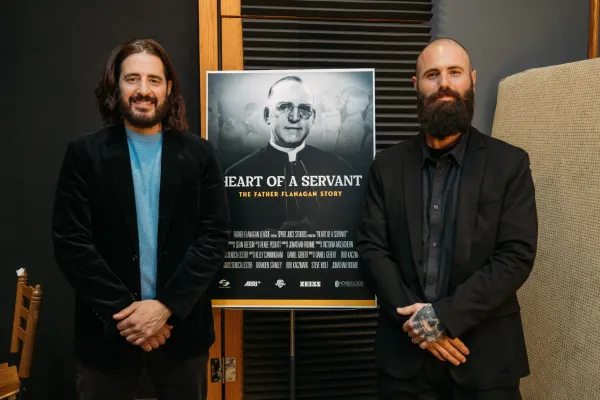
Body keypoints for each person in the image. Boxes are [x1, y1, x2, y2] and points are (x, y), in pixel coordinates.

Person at [356, 38, 538, 399]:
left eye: (454, 72)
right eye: (432, 74)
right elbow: (370, 250)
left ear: (471, 80)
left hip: (484, 361)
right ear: (416, 85)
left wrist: (440, 320)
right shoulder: (386, 167)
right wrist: (420, 327)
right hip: (404, 364)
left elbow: (515, 256)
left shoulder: (510, 164)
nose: (444, 83)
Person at [51, 38, 231, 400]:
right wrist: (130, 317)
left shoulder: (200, 155)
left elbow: (214, 237)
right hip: (107, 342)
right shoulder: (84, 155)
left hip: (182, 342)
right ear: (115, 87)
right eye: (132, 79)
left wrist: (164, 309)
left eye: (153, 80)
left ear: (168, 88)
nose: (143, 90)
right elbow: (71, 242)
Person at [224, 75, 357, 232]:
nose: (294, 117)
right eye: (284, 107)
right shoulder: (237, 175)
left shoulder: (340, 169)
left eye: (304, 109)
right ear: (267, 115)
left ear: (313, 117)